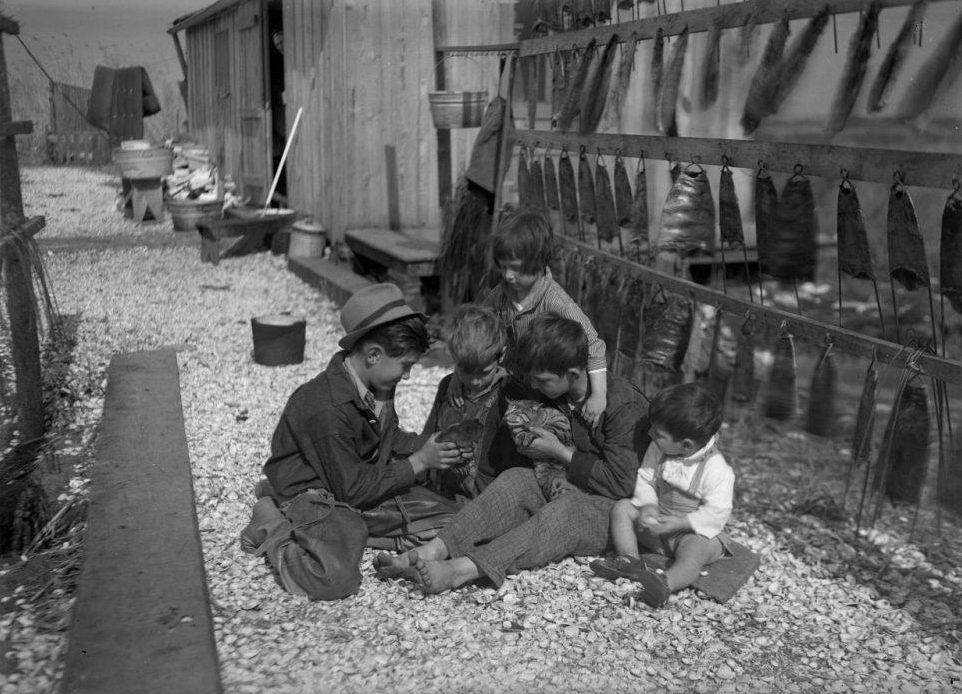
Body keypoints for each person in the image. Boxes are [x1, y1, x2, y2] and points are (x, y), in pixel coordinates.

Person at [376, 313, 649, 593]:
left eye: (541, 381)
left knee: (566, 510)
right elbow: (487, 349)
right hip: (563, 485)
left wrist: (560, 452)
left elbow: (623, 484)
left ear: (573, 375)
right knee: (515, 478)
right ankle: (432, 551)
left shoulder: (623, 407)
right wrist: (459, 377)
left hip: (614, 513)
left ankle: (461, 571)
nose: (533, 387)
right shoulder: (558, 388)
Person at [240, 283, 462, 600]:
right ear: (373, 354)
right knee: (335, 580)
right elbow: (353, 490)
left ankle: (348, 535)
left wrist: (425, 446)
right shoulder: (325, 408)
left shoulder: (376, 381)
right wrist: (420, 462)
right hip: (315, 493)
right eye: (406, 366)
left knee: (455, 525)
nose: (408, 376)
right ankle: (272, 522)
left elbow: (388, 437)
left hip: (357, 482)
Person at [451, 209, 608, 426]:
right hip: (512, 382)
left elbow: (595, 345)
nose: (507, 275)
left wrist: (598, 395)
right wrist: (457, 374)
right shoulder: (501, 293)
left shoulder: (557, 303)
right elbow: (476, 331)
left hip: (548, 392)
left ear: (539, 263)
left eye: (515, 269)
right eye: (502, 266)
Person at [590, 383, 734, 609]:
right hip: (660, 525)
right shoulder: (659, 449)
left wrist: (680, 523)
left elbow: (718, 512)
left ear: (686, 445)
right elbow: (646, 479)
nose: (650, 435)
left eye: (658, 434)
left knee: (694, 553)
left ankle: (664, 584)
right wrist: (648, 506)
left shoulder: (716, 469)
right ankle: (631, 562)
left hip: (693, 532)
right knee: (622, 508)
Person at [419, 304, 525, 499]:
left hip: (486, 504)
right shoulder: (447, 387)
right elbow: (427, 440)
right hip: (441, 495)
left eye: (484, 372)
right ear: (453, 358)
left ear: (501, 355)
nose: (475, 381)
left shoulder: (509, 397)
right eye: (465, 371)